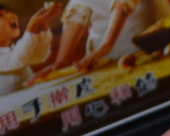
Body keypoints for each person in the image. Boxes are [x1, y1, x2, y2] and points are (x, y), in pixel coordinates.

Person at [26, 0, 154, 84]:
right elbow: (77, 13)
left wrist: (105, 47)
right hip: (102, 61)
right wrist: (61, 61)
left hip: (147, 46)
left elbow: (123, 5)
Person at [0, 2, 62, 96]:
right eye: (0, 15)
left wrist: (42, 27)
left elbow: (38, 57)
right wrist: (32, 27)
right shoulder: (15, 56)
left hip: (30, 97)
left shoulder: (14, 49)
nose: (11, 16)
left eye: (8, 12)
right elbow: (15, 61)